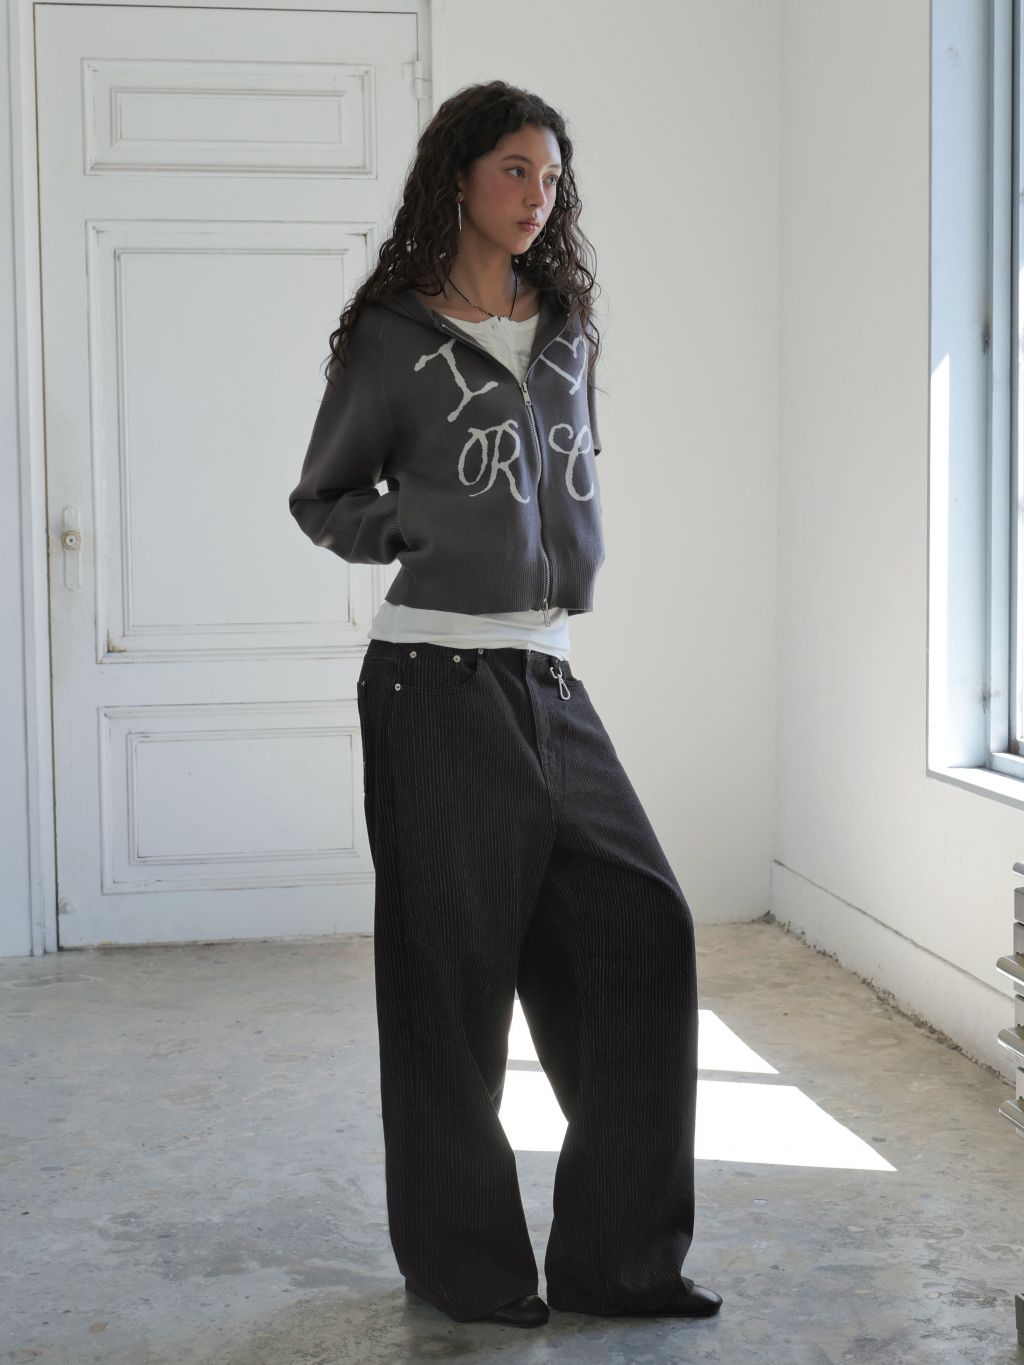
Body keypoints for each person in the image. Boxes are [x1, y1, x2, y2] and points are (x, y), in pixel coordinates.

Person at [288, 79, 722, 1330]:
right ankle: (466, 1267)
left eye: (551, 177)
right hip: (431, 677)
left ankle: (619, 1263)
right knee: (450, 982)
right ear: (460, 178)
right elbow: (323, 498)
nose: (537, 197)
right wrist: (412, 527)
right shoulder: (391, 335)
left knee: (644, 931)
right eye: (514, 171)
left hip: (547, 669)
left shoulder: (566, 324)